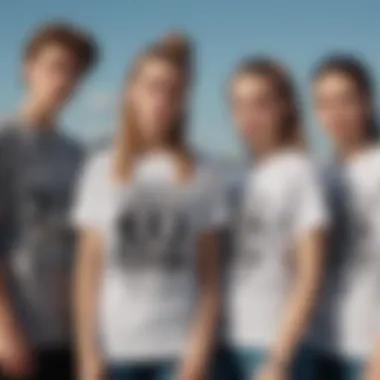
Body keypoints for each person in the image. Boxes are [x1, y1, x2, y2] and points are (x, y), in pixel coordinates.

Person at [72, 32, 226, 380]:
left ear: (185, 99)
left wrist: (198, 352)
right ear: (131, 92)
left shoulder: (202, 171)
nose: (162, 99)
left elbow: (210, 276)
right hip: (115, 350)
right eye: (153, 87)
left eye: (174, 90)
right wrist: (88, 354)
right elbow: (88, 270)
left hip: (178, 352)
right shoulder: (101, 168)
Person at [216, 57, 329, 380]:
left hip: (273, 346)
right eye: (238, 104)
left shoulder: (300, 172)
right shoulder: (234, 175)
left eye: (261, 103)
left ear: (284, 107)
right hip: (224, 343)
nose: (248, 115)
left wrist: (279, 359)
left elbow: (310, 273)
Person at [0, 22, 98, 379]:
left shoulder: (76, 153)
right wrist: (5, 330)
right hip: (14, 335)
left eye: (73, 71)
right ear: (29, 68)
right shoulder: (6, 140)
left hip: (65, 333)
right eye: (54, 66)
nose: (63, 79)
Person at [307, 55, 380, 380]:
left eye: (345, 100)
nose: (334, 113)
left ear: (367, 101)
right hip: (316, 346)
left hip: (365, 353)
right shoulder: (319, 173)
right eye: (323, 103)